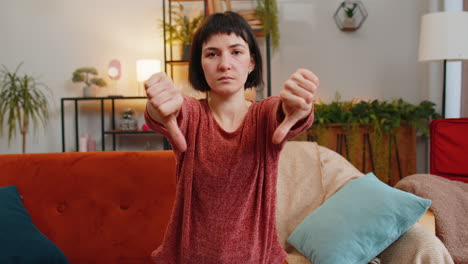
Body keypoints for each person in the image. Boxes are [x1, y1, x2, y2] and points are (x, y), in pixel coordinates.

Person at [144, 11, 319, 264]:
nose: (224, 64)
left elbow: (282, 113)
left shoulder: (263, 115)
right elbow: (170, 112)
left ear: (251, 62)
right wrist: (156, 107)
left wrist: (299, 109)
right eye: (212, 53)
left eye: (236, 52)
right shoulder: (192, 114)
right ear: (200, 64)